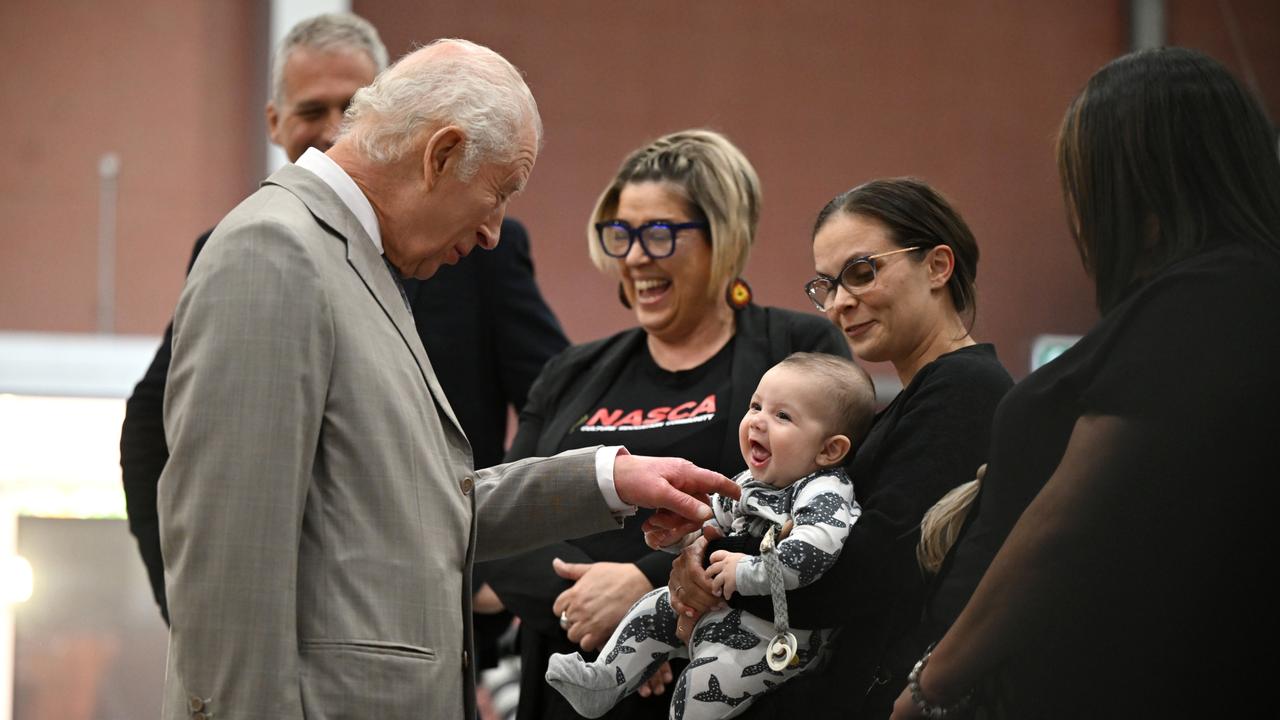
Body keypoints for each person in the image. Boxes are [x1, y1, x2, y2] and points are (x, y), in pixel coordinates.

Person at [157, 39, 741, 720]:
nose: (494, 231)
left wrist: (607, 479)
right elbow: (228, 566)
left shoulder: (353, 264)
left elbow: (414, 509)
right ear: (440, 155)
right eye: (498, 193)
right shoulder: (275, 252)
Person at [118, 12, 567, 625]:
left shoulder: (472, 250)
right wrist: (188, 611)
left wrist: (498, 576)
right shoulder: (259, 249)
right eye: (311, 111)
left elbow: (553, 399)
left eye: (349, 108)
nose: (333, 131)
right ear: (275, 121)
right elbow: (215, 509)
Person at [891, 48, 1280, 719]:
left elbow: (1069, 526)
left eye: (1085, 181)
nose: (1079, 211)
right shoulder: (1198, 300)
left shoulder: (1210, 295)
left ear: (1147, 180)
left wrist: (932, 686)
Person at [481, 129, 850, 720]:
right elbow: (501, 527)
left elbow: (815, 510)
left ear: (722, 238)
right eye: (621, 234)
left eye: (658, 233)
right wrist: (605, 617)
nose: (632, 257)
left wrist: (646, 584)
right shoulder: (571, 372)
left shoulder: (797, 353)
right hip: (567, 683)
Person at [662, 178, 1014, 717]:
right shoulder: (914, 398)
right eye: (827, 284)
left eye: (862, 272)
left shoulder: (964, 388)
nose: (840, 303)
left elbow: (865, 573)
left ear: (938, 266)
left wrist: (713, 568)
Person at [547, 353, 875, 719]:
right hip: (723, 606)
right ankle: (604, 679)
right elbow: (709, 531)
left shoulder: (825, 490)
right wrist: (678, 535)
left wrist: (746, 571)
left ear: (830, 449)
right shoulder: (748, 481)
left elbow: (813, 552)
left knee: (700, 689)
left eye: (782, 416)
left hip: (775, 635)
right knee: (650, 608)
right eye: (756, 406)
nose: (758, 422)